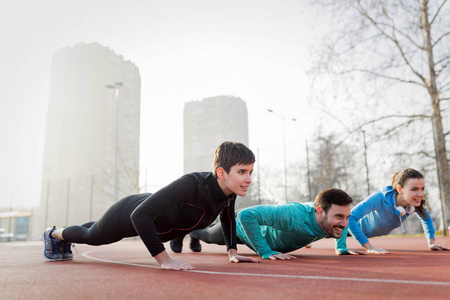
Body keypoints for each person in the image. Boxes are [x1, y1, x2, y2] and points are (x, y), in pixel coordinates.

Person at [42, 141, 260, 270]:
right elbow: (140, 215)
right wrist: (164, 259)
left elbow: (228, 220)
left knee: (95, 227)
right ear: (221, 173)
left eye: (250, 172)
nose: (248, 178)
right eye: (242, 172)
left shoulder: (229, 193)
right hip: (130, 212)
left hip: (150, 222)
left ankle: (67, 233)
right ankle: (53, 234)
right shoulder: (191, 184)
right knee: (92, 237)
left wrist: (232, 252)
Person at [187, 188, 354, 260]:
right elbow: (247, 215)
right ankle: (189, 231)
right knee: (207, 235)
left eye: (347, 217)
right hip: (243, 229)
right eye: (339, 216)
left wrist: (341, 247)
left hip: (260, 233)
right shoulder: (293, 215)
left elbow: (342, 224)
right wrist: (265, 251)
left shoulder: (330, 221)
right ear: (319, 212)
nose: (345, 223)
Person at [335, 168, 450, 255]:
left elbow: (426, 218)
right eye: (414, 189)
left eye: (422, 188)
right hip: (345, 229)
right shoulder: (379, 197)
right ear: (400, 189)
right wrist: (369, 247)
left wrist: (431, 242)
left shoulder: (413, 203)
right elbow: (350, 218)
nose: (420, 194)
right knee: (322, 233)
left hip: (362, 233)